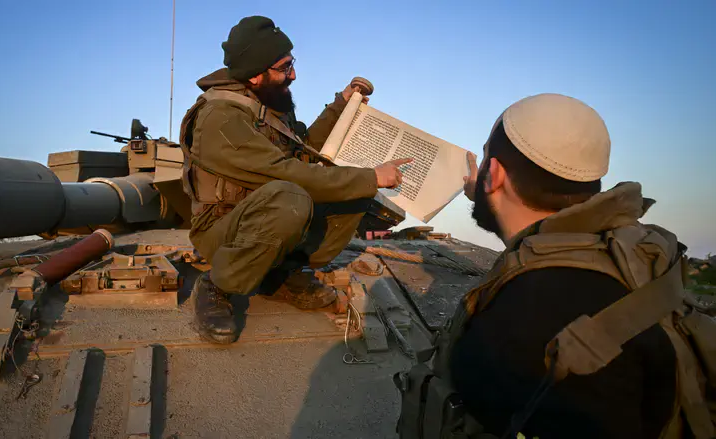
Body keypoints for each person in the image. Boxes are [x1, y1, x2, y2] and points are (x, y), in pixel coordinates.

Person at [394, 93, 714, 439]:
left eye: (486, 157)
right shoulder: (628, 250)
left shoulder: (510, 328)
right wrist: (488, 192)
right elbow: (535, 238)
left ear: (496, 174)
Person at [178, 15, 411, 344]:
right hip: (224, 230)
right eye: (285, 67)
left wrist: (341, 107)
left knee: (353, 194)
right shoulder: (219, 118)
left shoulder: (267, 105)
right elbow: (287, 172)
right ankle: (218, 285)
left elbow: (304, 153)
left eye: (292, 63)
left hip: (267, 217)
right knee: (293, 197)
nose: (294, 74)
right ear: (257, 74)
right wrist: (371, 176)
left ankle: (281, 276)